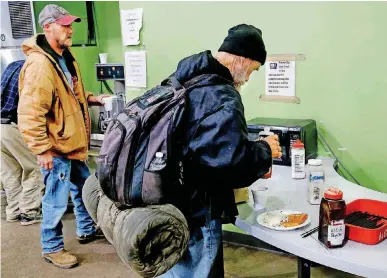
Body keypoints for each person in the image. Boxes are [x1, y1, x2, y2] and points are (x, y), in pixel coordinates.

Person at [159, 24, 282, 277]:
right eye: (253, 69)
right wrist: (265, 150)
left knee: (174, 268)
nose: (248, 78)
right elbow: (232, 165)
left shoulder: (181, 79)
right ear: (244, 59)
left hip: (165, 199)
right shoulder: (222, 95)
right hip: (197, 209)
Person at [18, 4, 107, 269]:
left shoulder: (64, 57)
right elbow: (30, 113)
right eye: (65, 25)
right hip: (55, 148)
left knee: (84, 188)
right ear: (47, 28)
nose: (70, 30)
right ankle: (52, 247)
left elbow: (71, 94)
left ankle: (86, 229)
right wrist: (42, 150)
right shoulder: (40, 66)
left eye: (71, 24)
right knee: (55, 199)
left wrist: (93, 98)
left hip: (71, 144)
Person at [1, 60, 45, 225]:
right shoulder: (35, 69)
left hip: (0, 126)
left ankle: (14, 211)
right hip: (14, 125)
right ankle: (29, 212)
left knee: (11, 172)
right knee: (36, 166)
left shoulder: (13, 65)